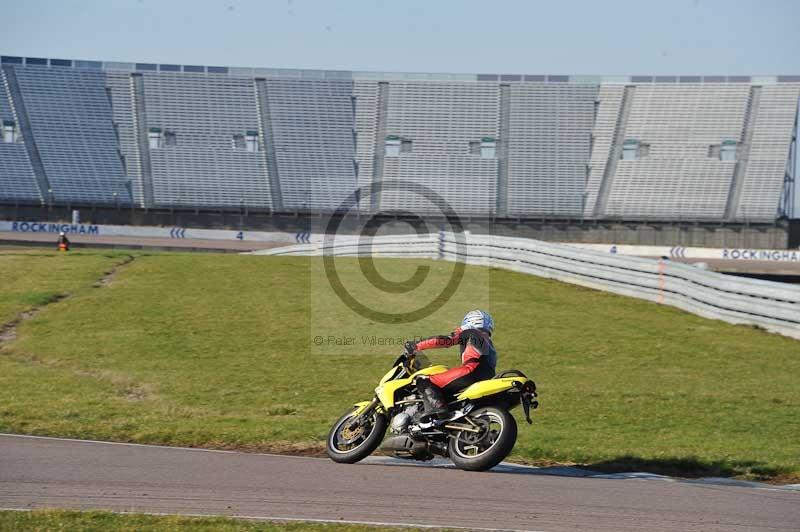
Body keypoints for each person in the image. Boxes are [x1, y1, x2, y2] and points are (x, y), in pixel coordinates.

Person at [405, 310, 497, 420]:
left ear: (470, 321)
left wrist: (416, 346)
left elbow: (444, 341)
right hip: (487, 376)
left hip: (471, 370)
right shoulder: (489, 343)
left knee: (423, 380)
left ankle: (437, 408)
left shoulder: (471, 332)